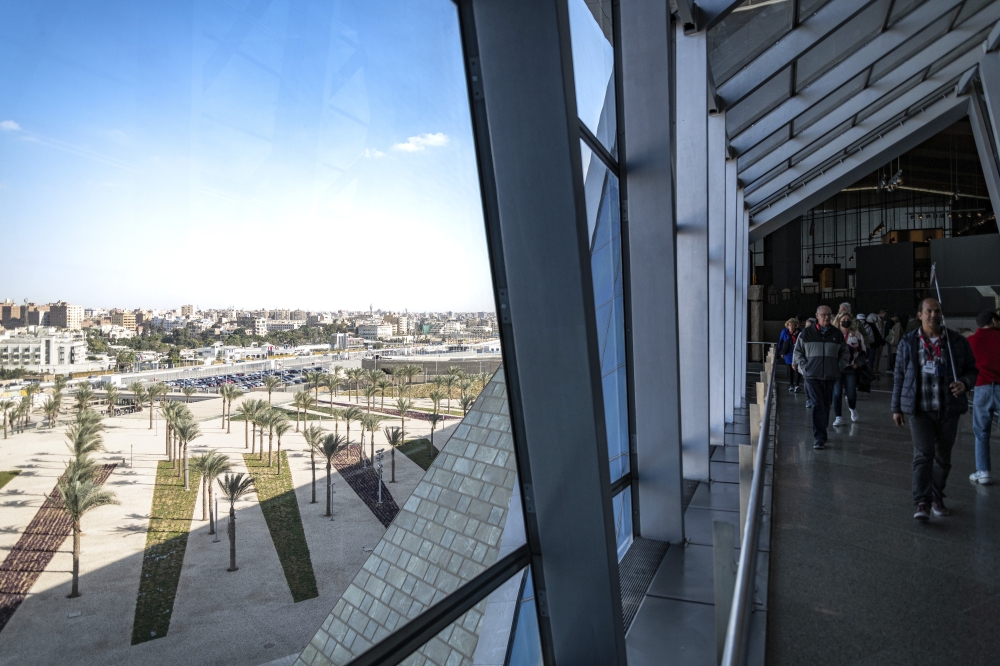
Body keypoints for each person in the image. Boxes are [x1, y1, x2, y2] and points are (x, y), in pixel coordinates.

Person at [892, 298, 978, 521]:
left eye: (937, 311)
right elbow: (899, 376)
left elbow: (972, 370)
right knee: (923, 455)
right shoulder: (908, 342)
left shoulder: (956, 341)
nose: (933, 315)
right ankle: (922, 501)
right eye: (928, 311)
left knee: (943, 457)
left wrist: (965, 383)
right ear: (919, 314)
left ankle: (936, 495)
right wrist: (896, 407)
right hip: (920, 409)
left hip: (948, 409)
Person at [793, 305, 849, 449]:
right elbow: (798, 351)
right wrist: (805, 367)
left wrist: (838, 367)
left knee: (826, 404)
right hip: (812, 376)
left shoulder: (837, 334)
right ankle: (819, 437)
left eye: (829, 314)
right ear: (816, 316)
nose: (826, 317)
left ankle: (822, 429)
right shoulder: (806, 333)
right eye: (823, 314)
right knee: (817, 403)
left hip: (830, 376)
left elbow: (845, 353)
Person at [968, 310, 1000, 484]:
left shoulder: (971, 341)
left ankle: (983, 471)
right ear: (994, 321)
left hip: (982, 389)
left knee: (981, 432)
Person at [832, 313, 867, 426]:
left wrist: (858, 363)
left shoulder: (856, 334)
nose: (846, 321)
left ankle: (852, 408)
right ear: (838, 321)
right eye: (843, 319)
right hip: (837, 368)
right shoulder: (833, 334)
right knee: (837, 393)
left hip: (851, 368)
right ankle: (838, 417)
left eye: (848, 319)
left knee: (851, 393)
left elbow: (862, 351)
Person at [778, 318, 802, 393]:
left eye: (793, 325)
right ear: (787, 326)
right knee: (790, 369)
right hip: (788, 352)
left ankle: (797, 385)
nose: (791, 327)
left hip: (797, 352)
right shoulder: (784, 332)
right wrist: (781, 352)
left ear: (795, 326)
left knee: (797, 369)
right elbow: (780, 342)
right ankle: (791, 384)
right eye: (790, 325)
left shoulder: (799, 332)